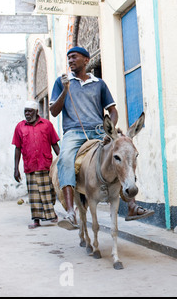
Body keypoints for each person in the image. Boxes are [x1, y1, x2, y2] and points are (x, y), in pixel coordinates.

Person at [49, 46, 153, 230]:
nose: (70, 61)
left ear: (86, 60)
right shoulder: (61, 82)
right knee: (64, 159)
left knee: (123, 152)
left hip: (99, 131)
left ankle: (131, 205)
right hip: (74, 132)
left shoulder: (99, 83)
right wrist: (65, 91)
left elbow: (113, 111)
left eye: (74, 57)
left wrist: (110, 131)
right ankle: (71, 212)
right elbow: (54, 111)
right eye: (69, 58)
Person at [12, 101, 61, 229]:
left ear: (36, 112)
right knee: (34, 196)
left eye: (30, 111)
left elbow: (55, 144)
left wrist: (62, 160)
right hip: (30, 166)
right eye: (25, 111)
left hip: (45, 165)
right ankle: (36, 220)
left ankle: (52, 215)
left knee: (48, 193)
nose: (27, 114)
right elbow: (17, 148)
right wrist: (15, 168)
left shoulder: (47, 125)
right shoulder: (20, 127)